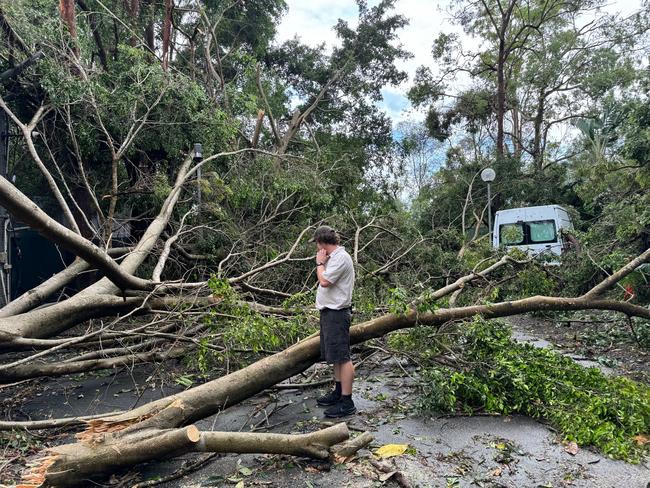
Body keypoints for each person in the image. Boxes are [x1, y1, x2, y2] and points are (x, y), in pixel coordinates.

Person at [313, 225, 356, 417]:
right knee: (336, 357)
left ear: (321, 243)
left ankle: (347, 402)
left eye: (316, 244)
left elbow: (324, 282)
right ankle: (339, 392)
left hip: (337, 313)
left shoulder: (340, 258)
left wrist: (319, 264)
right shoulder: (334, 258)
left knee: (343, 357)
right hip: (329, 312)